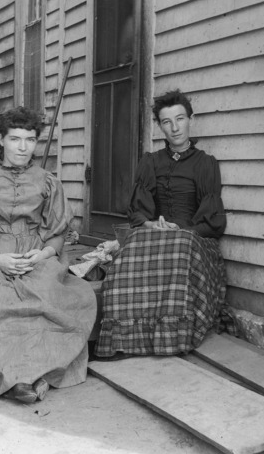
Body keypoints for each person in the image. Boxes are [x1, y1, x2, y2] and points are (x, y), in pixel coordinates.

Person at [0, 106, 97, 403]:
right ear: (1, 140)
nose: (22, 147)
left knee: (61, 294)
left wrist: (42, 255)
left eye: (30, 140)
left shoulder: (47, 181)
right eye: (15, 139)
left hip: (36, 256)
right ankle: (15, 377)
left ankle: (42, 372)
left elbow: (58, 233)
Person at [94, 89, 232, 359]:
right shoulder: (151, 162)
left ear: (191, 119)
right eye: (167, 122)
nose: (175, 127)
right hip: (156, 233)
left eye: (180, 119)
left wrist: (183, 230)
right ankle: (128, 338)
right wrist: (149, 225)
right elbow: (137, 212)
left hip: (193, 237)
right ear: (159, 126)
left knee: (180, 244)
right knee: (130, 246)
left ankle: (173, 336)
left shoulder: (205, 163)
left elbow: (212, 220)